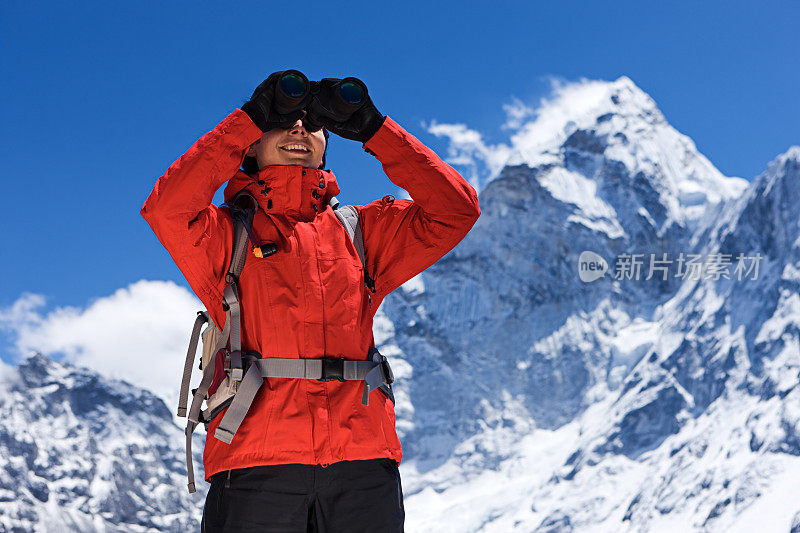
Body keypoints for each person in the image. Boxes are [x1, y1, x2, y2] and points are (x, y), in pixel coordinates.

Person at [140, 71, 480, 532]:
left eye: (313, 123)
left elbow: (456, 210)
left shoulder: (363, 232)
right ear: (251, 145)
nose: (300, 129)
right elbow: (165, 209)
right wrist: (247, 119)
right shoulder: (224, 235)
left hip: (362, 465)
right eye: (282, 121)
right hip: (256, 465)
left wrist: (375, 129)